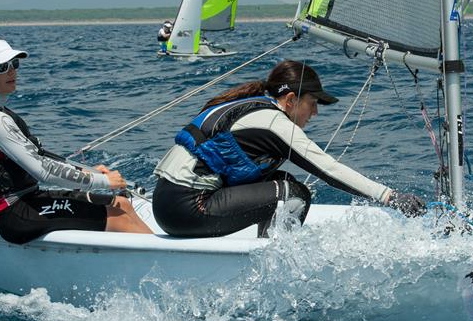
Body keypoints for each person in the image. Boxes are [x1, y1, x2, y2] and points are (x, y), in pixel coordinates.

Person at [152, 60, 426, 238]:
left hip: (168, 202)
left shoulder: (253, 105)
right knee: (294, 193)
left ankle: (264, 248)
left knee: (282, 181)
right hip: (187, 208)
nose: (316, 112)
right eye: (313, 102)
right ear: (292, 99)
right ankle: (273, 266)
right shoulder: (273, 122)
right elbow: (328, 169)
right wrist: (390, 197)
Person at [0, 37, 152, 244]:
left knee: (122, 204)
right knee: (120, 217)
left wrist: (88, 172)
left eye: (14, 64)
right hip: (13, 212)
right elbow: (44, 171)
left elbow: (38, 158)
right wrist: (103, 181)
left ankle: (154, 253)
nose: (12, 71)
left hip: (29, 199)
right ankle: (164, 263)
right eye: (2, 67)